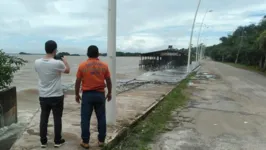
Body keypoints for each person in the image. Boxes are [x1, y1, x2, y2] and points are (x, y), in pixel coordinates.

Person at [34, 40, 70, 148]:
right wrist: (65, 61)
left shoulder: (37, 62)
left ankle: (43, 141)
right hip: (57, 95)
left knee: (43, 118)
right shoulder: (57, 63)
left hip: (43, 95)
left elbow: (42, 72)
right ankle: (57, 141)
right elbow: (67, 71)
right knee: (57, 118)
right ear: (55, 50)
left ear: (45, 49)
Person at [75, 45, 112, 149]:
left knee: (85, 119)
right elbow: (108, 80)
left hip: (87, 95)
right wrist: (109, 92)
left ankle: (85, 142)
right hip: (100, 94)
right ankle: (101, 141)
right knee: (101, 117)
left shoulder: (82, 66)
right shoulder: (104, 65)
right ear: (98, 53)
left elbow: (78, 81)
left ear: (87, 54)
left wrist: (77, 94)